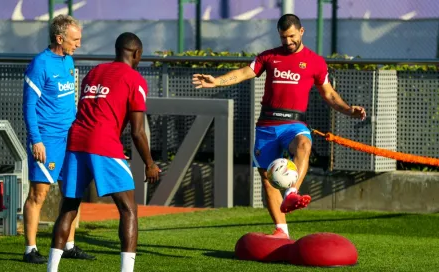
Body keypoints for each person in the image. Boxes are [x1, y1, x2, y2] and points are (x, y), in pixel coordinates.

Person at [192, 14, 366, 239]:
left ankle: (292, 193)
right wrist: (217, 81)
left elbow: (329, 94)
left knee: (304, 144)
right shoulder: (269, 56)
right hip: (267, 125)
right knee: (267, 179)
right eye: (283, 37)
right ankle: (281, 231)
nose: (287, 42)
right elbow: (245, 72)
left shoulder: (315, 61)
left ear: (301, 32)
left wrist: (349, 110)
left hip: (294, 124)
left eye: (292, 36)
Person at [47, 32, 161, 272]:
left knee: (69, 206)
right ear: (137, 53)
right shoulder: (135, 79)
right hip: (103, 144)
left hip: (76, 140)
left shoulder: (94, 72)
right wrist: (150, 163)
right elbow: (138, 132)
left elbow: (91, 110)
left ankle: (51, 269)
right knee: (128, 209)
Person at [22, 14, 95, 263]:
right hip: (47, 139)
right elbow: (29, 106)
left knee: (71, 191)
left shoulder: (68, 61)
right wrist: (36, 140)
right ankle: (30, 250)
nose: (79, 44)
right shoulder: (40, 64)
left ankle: (69, 244)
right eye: (75, 40)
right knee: (39, 194)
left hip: (70, 137)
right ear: (59, 38)